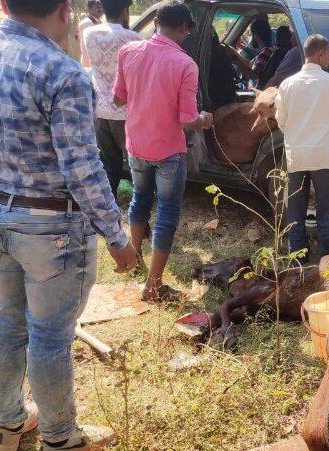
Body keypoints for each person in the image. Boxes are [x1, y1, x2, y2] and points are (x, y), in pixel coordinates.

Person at [0, 0, 138, 451]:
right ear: (65, 11)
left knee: (7, 321)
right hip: (51, 228)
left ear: (5, 4)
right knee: (49, 336)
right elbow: (82, 167)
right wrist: (116, 235)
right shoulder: (63, 73)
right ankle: (59, 439)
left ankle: (7, 425)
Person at [113, 1, 213, 302]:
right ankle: (154, 286)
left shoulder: (128, 52)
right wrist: (204, 120)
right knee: (167, 212)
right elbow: (186, 120)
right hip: (168, 150)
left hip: (136, 145)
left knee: (139, 199)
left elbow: (118, 100)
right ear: (184, 28)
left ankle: (134, 262)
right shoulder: (185, 64)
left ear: (156, 22)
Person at [276, 34, 329, 261]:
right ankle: (324, 257)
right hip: (323, 155)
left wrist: (298, 132)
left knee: (295, 209)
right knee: (326, 209)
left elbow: (282, 121)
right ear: (320, 53)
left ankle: (297, 257)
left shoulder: (286, 84)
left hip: (296, 154)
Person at [82, 0, 140, 197]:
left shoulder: (89, 33)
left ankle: (109, 207)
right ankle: (139, 207)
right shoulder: (133, 38)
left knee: (108, 164)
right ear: (125, 11)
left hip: (100, 110)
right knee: (136, 163)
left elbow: (89, 64)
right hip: (125, 111)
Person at [225, 18, 273, 89]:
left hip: (252, 91)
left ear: (256, 35)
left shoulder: (266, 52)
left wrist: (234, 58)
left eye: (252, 34)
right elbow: (250, 64)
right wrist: (234, 52)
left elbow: (254, 75)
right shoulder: (265, 50)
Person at [78, 0, 103, 67]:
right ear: (90, 8)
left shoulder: (99, 22)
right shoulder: (87, 24)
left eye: (101, 6)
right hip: (89, 66)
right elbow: (86, 48)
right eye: (97, 7)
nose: (100, 9)